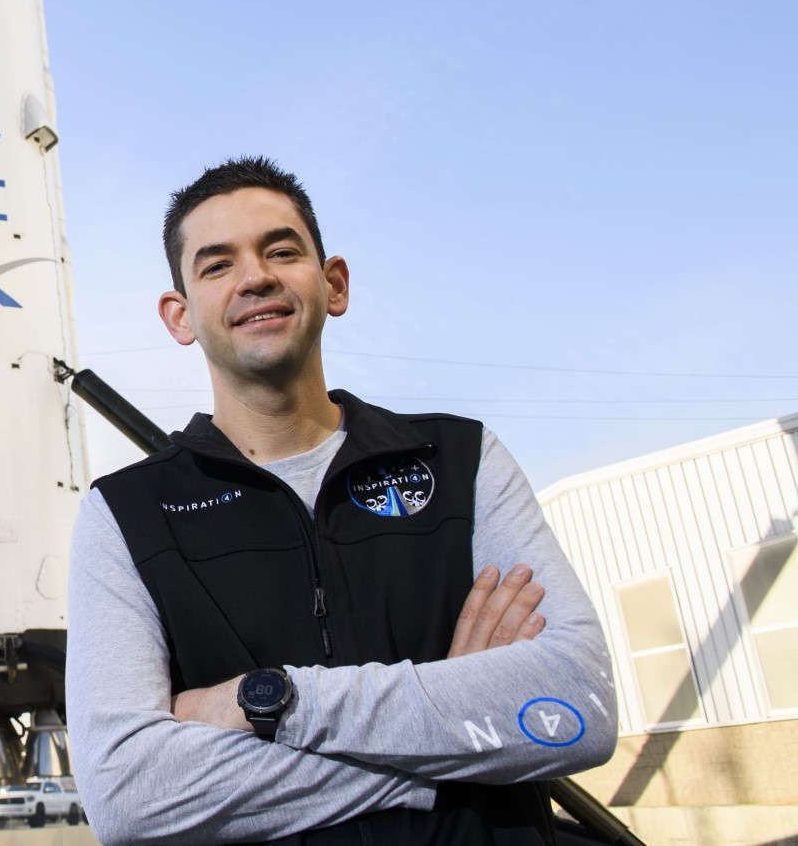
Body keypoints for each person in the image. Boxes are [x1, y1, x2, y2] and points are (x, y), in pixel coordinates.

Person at [64, 157, 617, 845]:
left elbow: (577, 703)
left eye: (282, 250)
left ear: (334, 285)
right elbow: (127, 793)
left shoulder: (461, 460)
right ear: (180, 316)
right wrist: (460, 728)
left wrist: (267, 702)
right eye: (216, 265)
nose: (255, 276)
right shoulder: (126, 514)